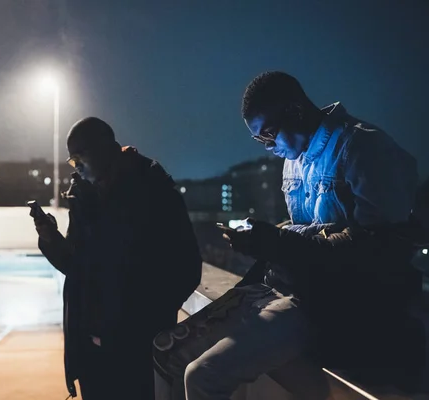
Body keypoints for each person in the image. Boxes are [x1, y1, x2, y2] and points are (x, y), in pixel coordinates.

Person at [154, 71, 425, 399]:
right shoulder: (293, 161)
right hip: (289, 288)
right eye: (260, 141)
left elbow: (383, 249)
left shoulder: (364, 147)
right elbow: (308, 233)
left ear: (296, 111)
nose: (269, 147)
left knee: (202, 374)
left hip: (331, 307)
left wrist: (280, 242)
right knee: (167, 353)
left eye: (269, 134)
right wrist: (268, 238)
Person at [34, 117, 202, 400]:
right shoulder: (83, 196)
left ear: (103, 149)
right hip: (92, 352)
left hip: (139, 351)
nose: (76, 166)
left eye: (79, 157)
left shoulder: (152, 188)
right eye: (71, 160)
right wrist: (51, 240)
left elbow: (186, 267)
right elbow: (78, 267)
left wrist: (146, 321)